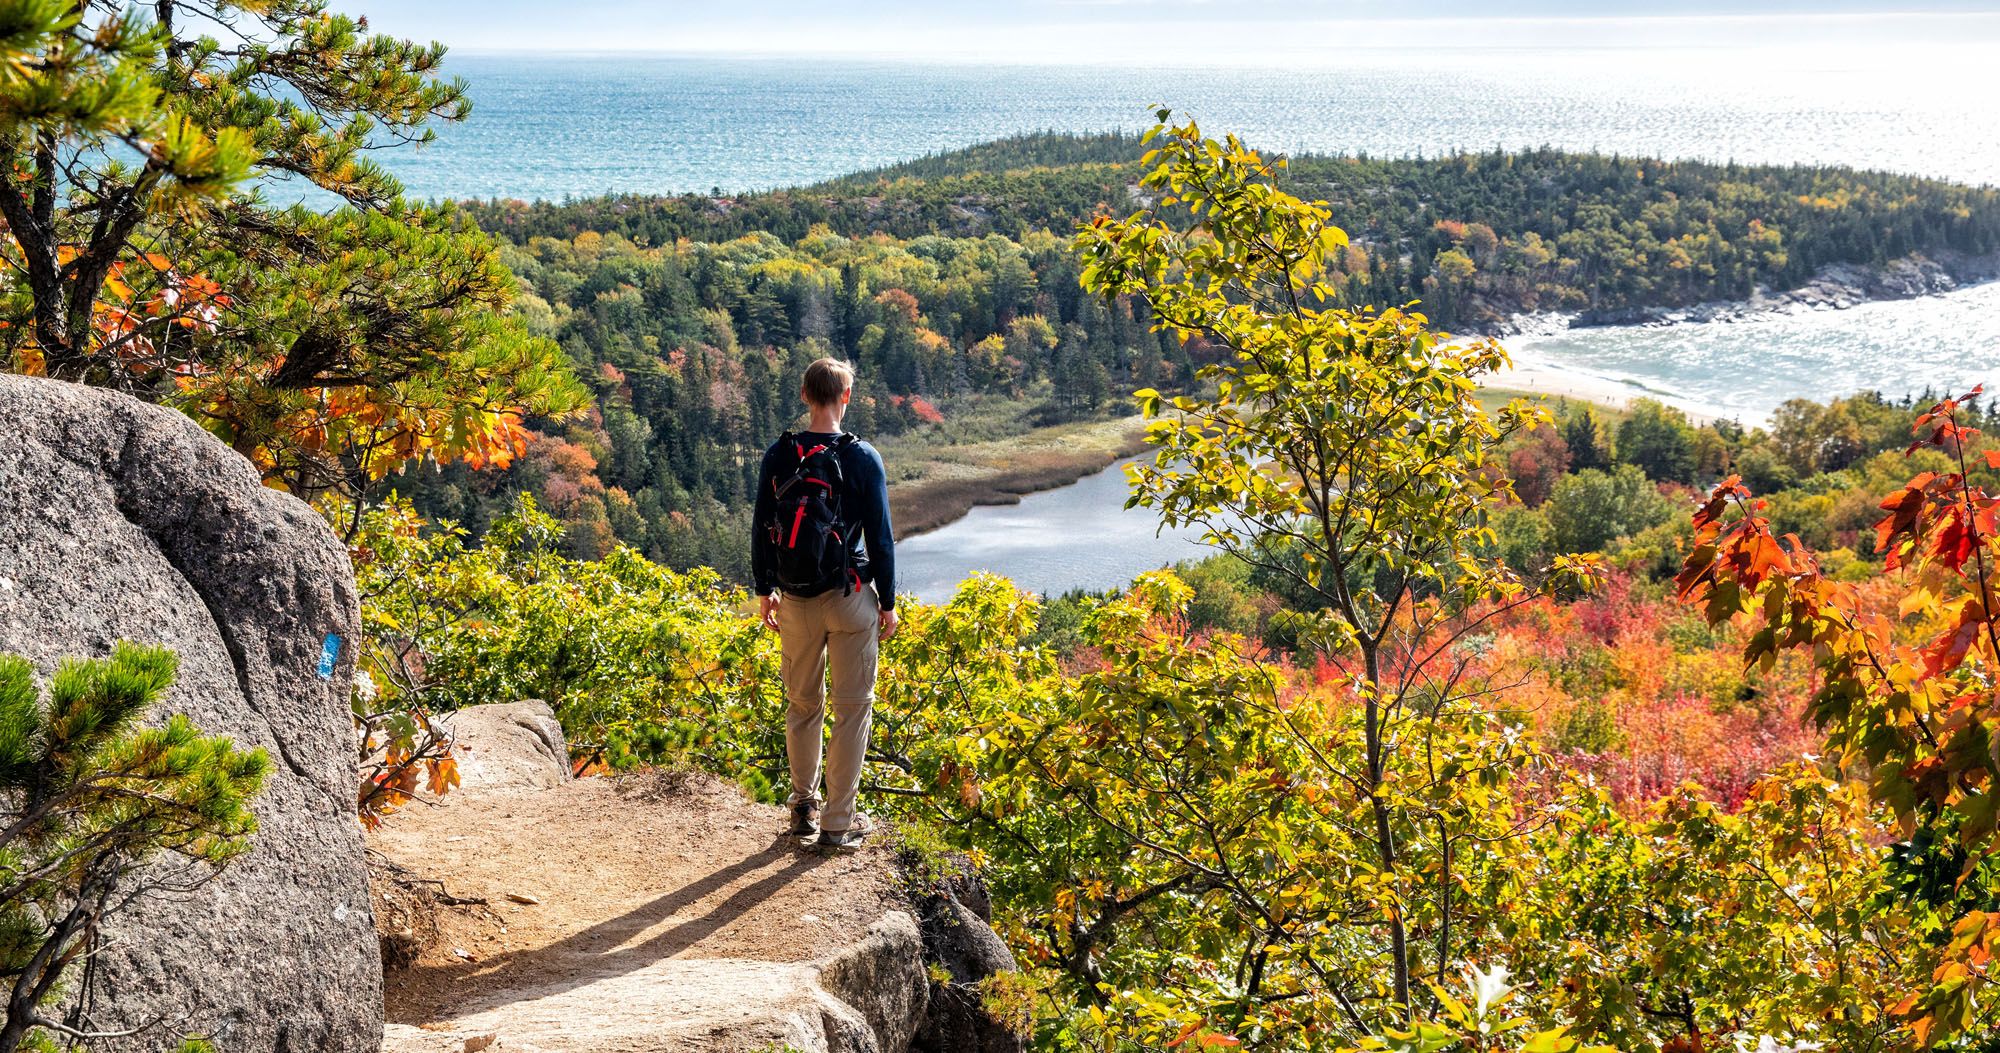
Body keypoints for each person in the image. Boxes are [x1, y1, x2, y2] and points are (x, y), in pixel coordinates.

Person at [751, 357, 898, 849]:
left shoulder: (780, 453)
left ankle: (802, 808)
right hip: (850, 596)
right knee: (852, 710)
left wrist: (764, 589)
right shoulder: (862, 457)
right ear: (846, 396)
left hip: (794, 599)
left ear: (804, 395)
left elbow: (760, 527)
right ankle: (838, 823)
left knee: (802, 706)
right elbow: (880, 538)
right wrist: (889, 602)